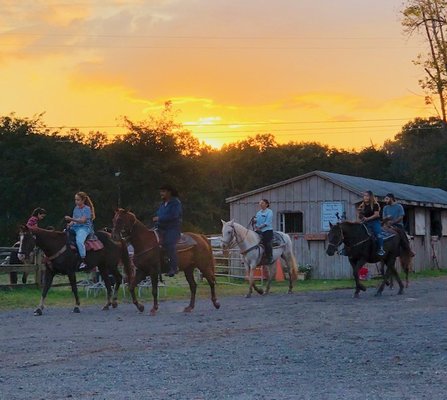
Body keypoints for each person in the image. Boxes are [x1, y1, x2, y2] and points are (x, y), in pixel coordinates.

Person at [153, 185, 183, 277]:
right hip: (161, 228)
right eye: (161, 192)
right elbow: (159, 214)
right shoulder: (162, 204)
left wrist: (159, 218)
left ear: (169, 192)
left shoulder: (175, 203)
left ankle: (174, 267)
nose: (161, 193)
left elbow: (174, 215)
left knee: (170, 244)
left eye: (164, 191)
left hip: (172, 228)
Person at [65, 192, 95, 270]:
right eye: (75, 200)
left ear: (83, 200)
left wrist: (71, 219)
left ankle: (83, 260)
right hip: (75, 227)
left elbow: (83, 221)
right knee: (63, 235)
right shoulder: (76, 208)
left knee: (79, 241)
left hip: (84, 228)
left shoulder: (87, 209)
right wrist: (69, 224)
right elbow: (74, 219)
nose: (76, 202)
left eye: (78, 200)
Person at [358, 190, 385, 256]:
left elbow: (377, 215)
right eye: (364, 196)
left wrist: (367, 219)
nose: (365, 197)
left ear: (370, 197)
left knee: (378, 234)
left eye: (367, 196)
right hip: (365, 222)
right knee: (357, 232)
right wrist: (360, 214)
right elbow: (360, 217)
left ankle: (381, 248)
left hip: (374, 222)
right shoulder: (362, 206)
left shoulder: (375, 205)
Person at [254, 199, 274, 264]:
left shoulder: (269, 212)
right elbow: (256, 221)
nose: (260, 204)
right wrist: (255, 224)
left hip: (267, 230)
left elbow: (267, 222)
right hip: (259, 230)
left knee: (267, 243)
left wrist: (259, 227)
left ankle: (270, 257)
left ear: (266, 204)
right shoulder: (258, 213)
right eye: (260, 203)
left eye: (262, 203)